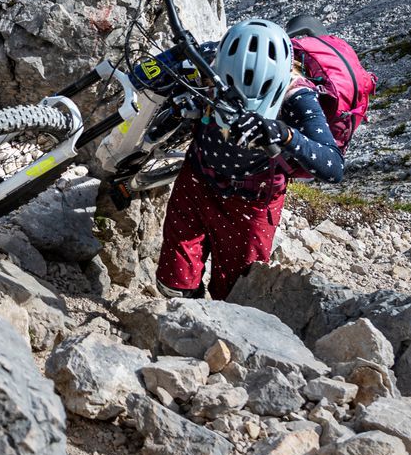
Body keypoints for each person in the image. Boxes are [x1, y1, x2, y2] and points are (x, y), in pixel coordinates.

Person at [140, 18, 345, 300]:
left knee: (235, 293)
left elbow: (332, 166)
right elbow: (158, 66)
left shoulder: (297, 94)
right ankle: (187, 317)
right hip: (199, 180)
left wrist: (283, 134)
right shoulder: (210, 57)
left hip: (251, 202)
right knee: (174, 282)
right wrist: (149, 72)